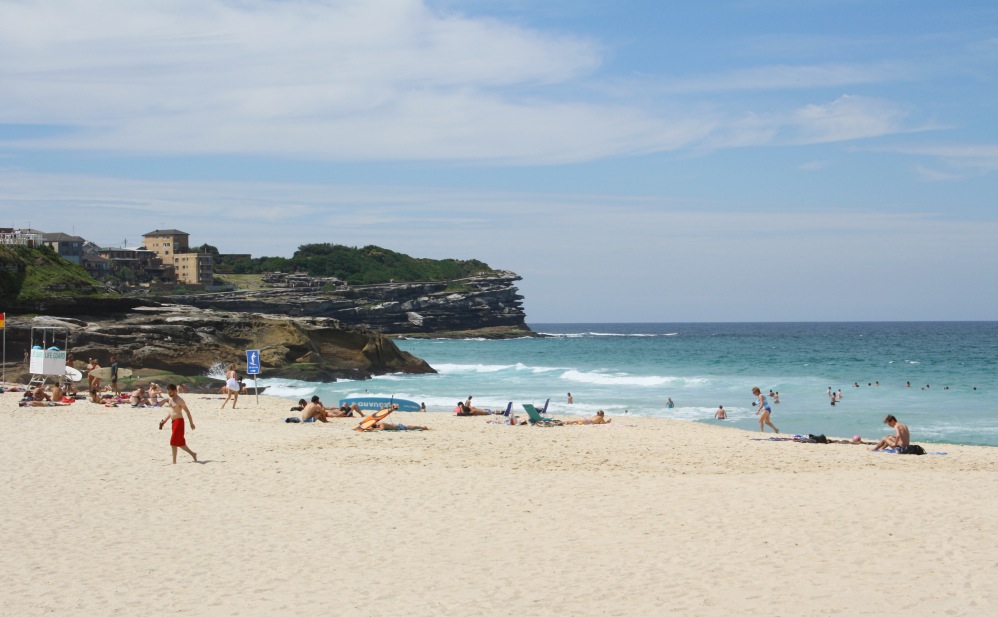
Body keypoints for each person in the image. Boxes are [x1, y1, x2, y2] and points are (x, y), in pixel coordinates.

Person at [158, 384, 197, 464]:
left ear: (175, 391)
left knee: (173, 442)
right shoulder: (170, 398)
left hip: (179, 422)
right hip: (173, 422)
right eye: (168, 391)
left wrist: (191, 423)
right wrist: (164, 421)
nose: (169, 393)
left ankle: (174, 462)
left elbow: (188, 412)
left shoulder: (180, 400)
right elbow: (171, 412)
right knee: (180, 443)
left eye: (171, 392)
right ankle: (193, 454)